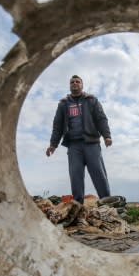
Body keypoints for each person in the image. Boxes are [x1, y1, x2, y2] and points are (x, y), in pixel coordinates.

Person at [46, 75, 112, 204]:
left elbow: (101, 119)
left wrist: (107, 136)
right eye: (72, 82)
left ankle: (108, 204)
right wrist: (53, 144)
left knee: (99, 174)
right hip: (74, 146)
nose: (74, 83)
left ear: (82, 85)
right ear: (70, 85)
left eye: (77, 82)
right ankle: (77, 207)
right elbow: (57, 125)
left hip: (91, 143)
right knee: (75, 176)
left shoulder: (91, 100)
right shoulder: (63, 104)